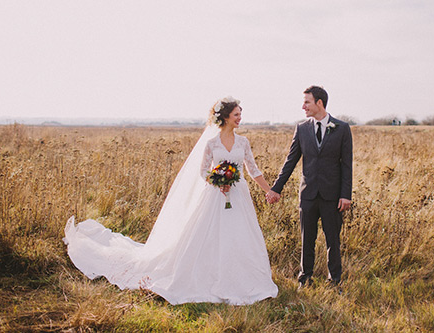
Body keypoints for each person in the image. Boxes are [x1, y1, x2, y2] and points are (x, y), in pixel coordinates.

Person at [64, 97, 278, 305]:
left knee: (240, 235)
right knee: (208, 237)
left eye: (241, 114)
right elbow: (203, 171)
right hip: (215, 196)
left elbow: (253, 169)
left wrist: (269, 191)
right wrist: (218, 182)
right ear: (225, 117)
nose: (240, 118)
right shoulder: (212, 143)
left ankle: (243, 278)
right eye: (236, 115)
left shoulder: (243, 142)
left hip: (238, 195)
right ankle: (207, 275)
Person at [266, 86, 352, 289]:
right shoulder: (302, 128)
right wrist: (276, 189)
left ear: (319, 103)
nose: (303, 106)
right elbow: (291, 161)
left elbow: (347, 164)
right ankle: (305, 279)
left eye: (307, 102)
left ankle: (334, 281)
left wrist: (345, 195)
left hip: (332, 195)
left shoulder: (342, 128)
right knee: (307, 240)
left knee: (333, 240)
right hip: (308, 195)